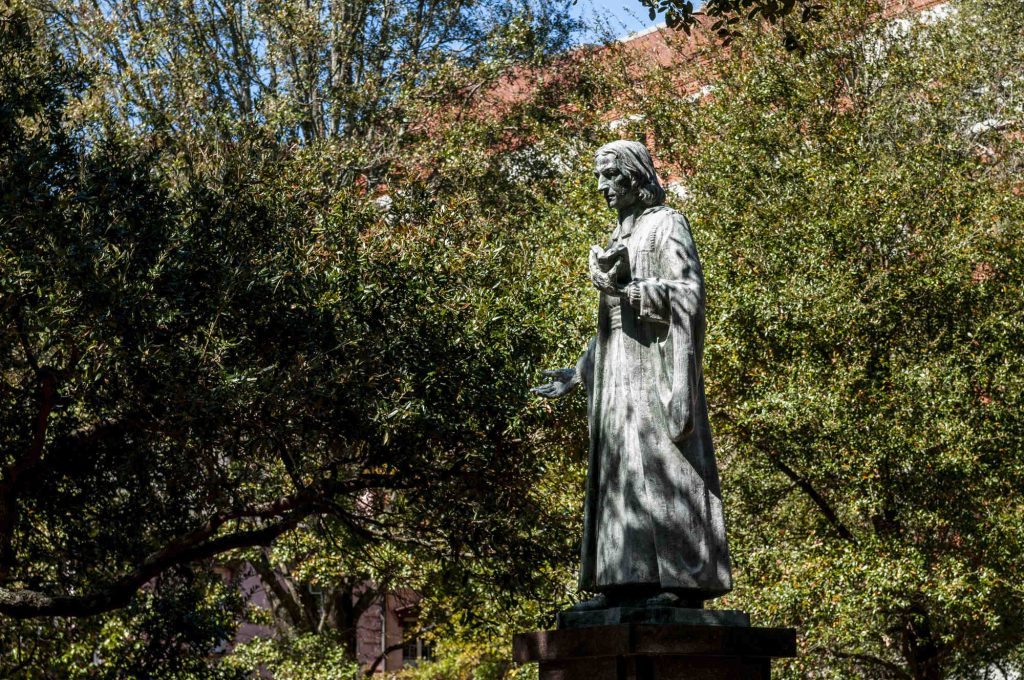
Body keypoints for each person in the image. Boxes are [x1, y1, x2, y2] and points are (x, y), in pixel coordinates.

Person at [533, 140, 731, 609]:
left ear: (636, 176)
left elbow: (691, 294)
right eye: (599, 177)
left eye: (610, 175)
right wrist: (580, 369)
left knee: (663, 466)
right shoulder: (619, 235)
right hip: (617, 372)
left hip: (655, 368)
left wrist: (630, 287)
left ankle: (680, 582)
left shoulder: (668, 224)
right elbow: (611, 325)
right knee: (620, 469)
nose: (601, 186)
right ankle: (623, 580)